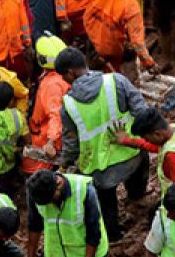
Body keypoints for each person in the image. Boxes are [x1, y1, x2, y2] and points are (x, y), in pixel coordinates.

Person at [56, 48, 149, 243]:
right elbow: (142, 111)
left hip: (100, 168)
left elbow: (71, 144)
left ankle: (114, 236)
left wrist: (64, 163)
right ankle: (137, 199)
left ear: (70, 73)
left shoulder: (69, 105)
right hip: (131, 154)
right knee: (139, 173)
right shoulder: (116, 81)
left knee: (106, 204)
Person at [70, 0, 156, 76]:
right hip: (110, 47)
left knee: (92, 65)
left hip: (90, 33)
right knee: (112, 76)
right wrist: (149, 63)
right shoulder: (132, 7)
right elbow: (138, 43)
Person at [116, 106, 175, 196]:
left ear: (157, 133)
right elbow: (155, 146)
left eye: (147, 138)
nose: (147, 141)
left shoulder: (172, 156)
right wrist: (127, 140)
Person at [22, 35, 70, 175]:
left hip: (44, 140)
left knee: (36, 176)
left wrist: (51, 142)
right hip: (47, 135)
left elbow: (56, 115)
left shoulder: (52, 85)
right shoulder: (58, 78)